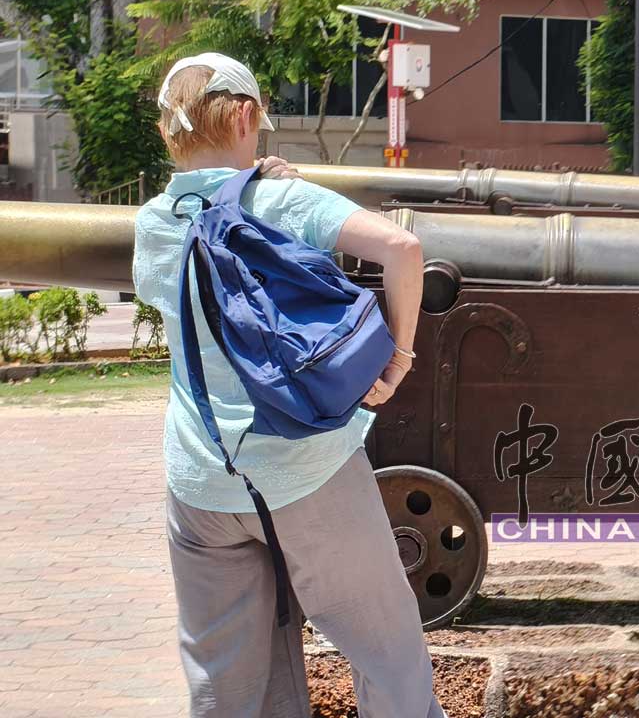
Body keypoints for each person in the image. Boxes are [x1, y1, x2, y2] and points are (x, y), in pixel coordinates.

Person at [132, 53, 444, 718]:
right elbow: (402, 249)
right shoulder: (281, 198)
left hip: (199, 483)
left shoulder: (151, 224)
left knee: (228, 683)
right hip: (307, 471)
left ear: (168, 132)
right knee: (389, 657)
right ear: (246, 115)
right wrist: (399, 358)